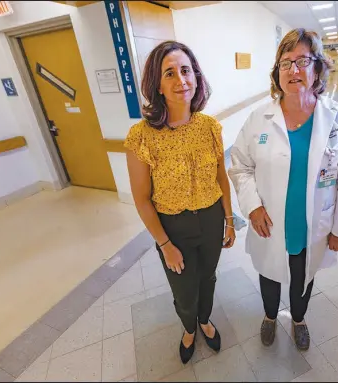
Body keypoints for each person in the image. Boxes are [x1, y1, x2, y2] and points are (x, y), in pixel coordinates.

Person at [228, 28, 338, 351]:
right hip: (270, 224)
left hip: (312, 228)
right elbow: (240, 165)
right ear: (276, 73)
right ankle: (269, 316)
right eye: (285, 63)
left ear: (317, 67)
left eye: (302, 61)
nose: (293, 70)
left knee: (303, 279)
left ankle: (299, 319)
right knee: (268, 274)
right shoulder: (258, 120)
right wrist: (251, 206)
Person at [124, 41, 236, 364]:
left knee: (208, 278)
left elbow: (221, 178)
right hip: (173, 227)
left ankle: (205, 320)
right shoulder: (141, 137)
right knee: (184, 289)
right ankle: (189, 326)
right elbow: (142, 200)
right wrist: (165, 244)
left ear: (196, 77)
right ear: (157, 85)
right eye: (169, 73)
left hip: (212, 218)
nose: (180, 80)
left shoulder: (210, 127)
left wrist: (229, 220)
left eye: (186, 71)